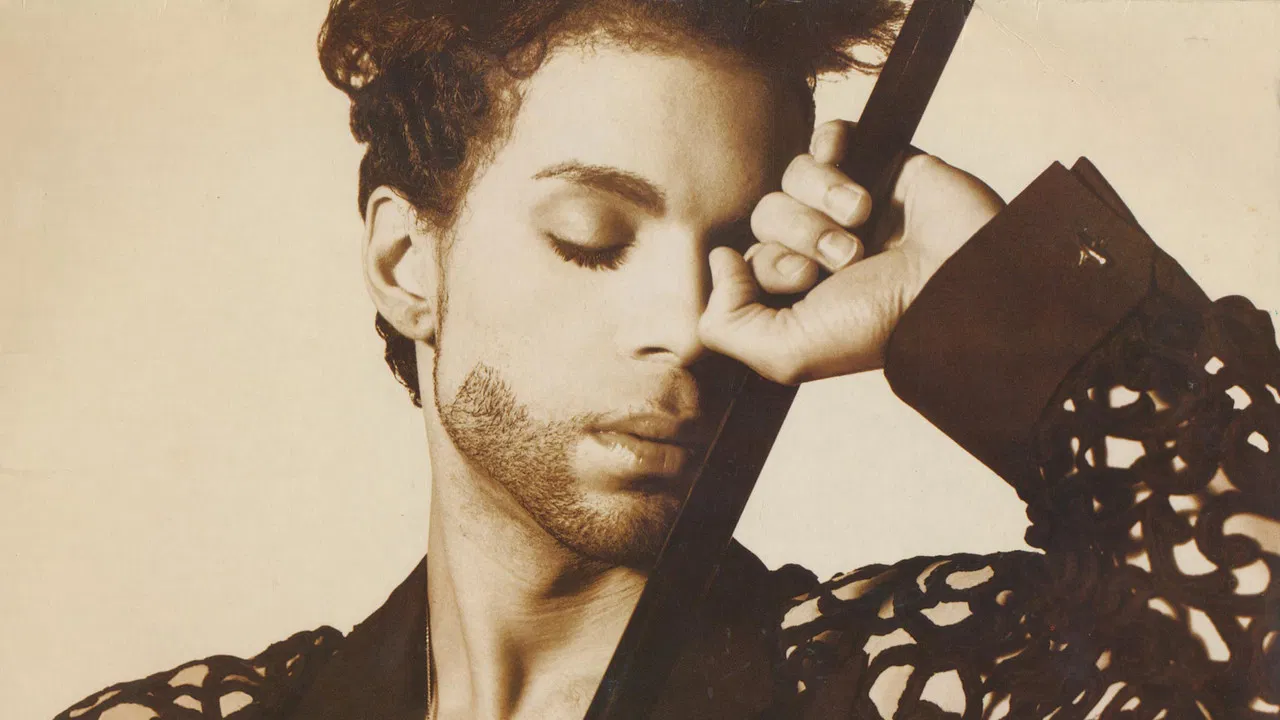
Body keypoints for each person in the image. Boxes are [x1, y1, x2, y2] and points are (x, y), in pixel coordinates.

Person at [55, 0, 1278, 718]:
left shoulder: (896, 686)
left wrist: (1001, 294)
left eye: (737, 249)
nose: (688, 322)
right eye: (591, 238)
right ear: (404, 263)